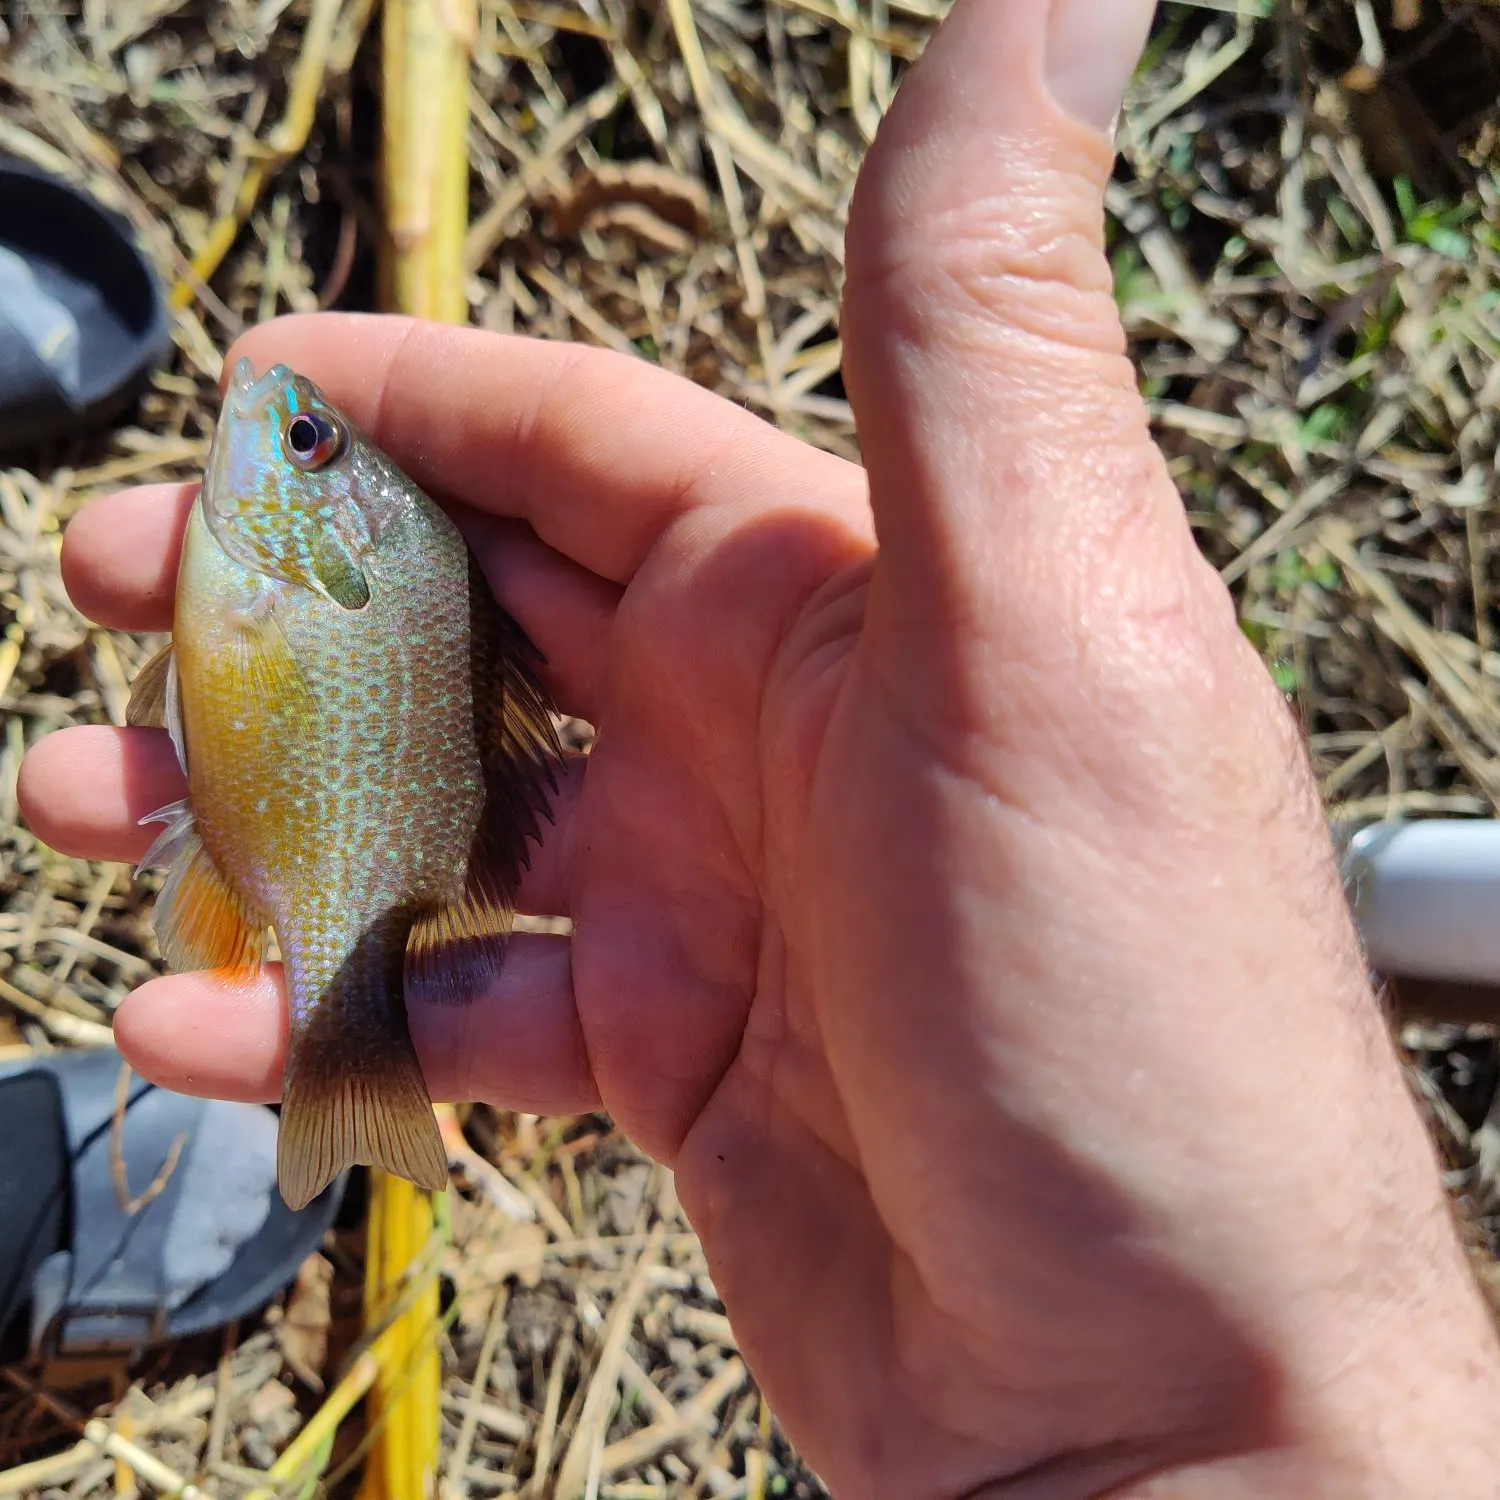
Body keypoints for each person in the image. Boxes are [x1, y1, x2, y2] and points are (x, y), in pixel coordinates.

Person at [20, 0, 1500, 1493]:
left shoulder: (324, 564)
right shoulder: (322, 567)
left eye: (313, 451)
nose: (287, 428)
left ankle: (327, 1080)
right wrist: (1266, 1409)